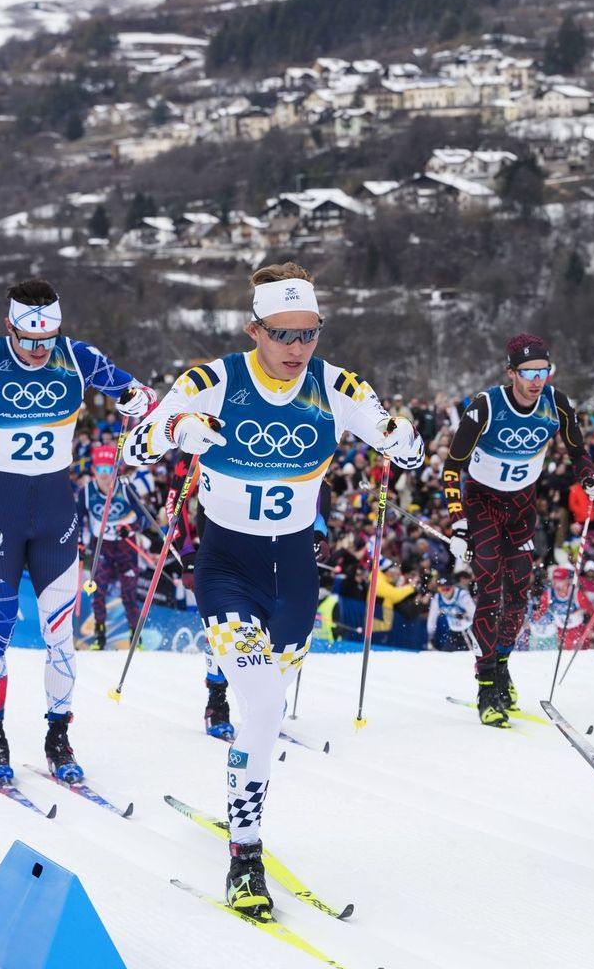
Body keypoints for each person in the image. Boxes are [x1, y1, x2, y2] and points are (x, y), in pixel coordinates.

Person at [124, 260, 422, 920]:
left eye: (309, 334)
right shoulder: (213, 381)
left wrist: (405, 445)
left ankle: (242, 765)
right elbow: (132, 450)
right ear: (253, 329)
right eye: (283, 335)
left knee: (268, 706)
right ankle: (246, 855)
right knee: (257, 703)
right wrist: (177, 432)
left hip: (293, 573)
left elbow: (402, 440)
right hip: (226, 563)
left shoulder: (334, 386)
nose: (296, 349)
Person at [0, 278, 156, 784]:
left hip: (56, 513)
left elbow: (142, 394)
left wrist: (136, 399)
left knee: (61, 636)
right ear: (8, 327)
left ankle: (58, 735)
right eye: (27, 340)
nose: (38, 351)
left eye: (47, 340)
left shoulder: (77, 356)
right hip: (1, 510)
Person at [441, 333, 594, 728]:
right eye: (528, 372)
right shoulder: (486, 406)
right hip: (483, 504)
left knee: (519, 592)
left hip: (522, 506)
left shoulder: (556, 403)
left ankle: (501, 665)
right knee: (490, 591)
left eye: (542, 371)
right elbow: (451, 468)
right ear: (511, 372)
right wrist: (460, 523)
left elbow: (577, 451)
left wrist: (589, 477)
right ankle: (485, 686)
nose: (536, 380)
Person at [80, 444, 144, 650]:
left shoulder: (125, 488)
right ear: (94, 470)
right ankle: (99, 635)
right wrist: (79, 542)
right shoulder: (87, 491)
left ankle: (135, 635)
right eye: (100, 470)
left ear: (115, 470)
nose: (104, 475)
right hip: (101, 546)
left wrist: (129, 527)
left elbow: (141, 515)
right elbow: (77, 517)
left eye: (109, 470)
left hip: (126, 545)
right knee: (98, 590)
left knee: (129, 592)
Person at [533, 563, 594, 649]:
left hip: (578, 629)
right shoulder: (549, 594)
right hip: (561, 630)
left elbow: (591, 610)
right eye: (555, 580)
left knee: (580, 653)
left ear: (566, 580)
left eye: (559, 581)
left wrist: (592, 628)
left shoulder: (576, 593)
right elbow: (541, 610)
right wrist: (535, 620)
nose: (556, 584)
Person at [426, 572, 474, 651]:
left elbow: (474, 614)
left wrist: (464, 616)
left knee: (470, 656)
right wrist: (431, 636)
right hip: (453, 632)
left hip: (468, 631)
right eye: (441, 589)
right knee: (446, 657)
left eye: (447, 589)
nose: (444, 592)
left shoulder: (462, 596)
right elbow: (432, 619)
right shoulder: (437, 598)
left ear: (453, 587)